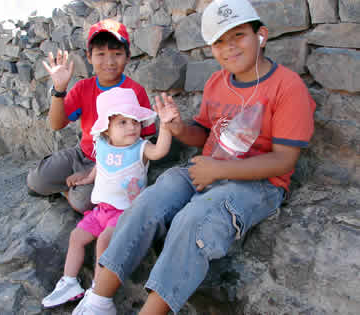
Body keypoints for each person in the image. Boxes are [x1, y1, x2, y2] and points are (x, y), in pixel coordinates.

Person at [72, 0, 317, 314]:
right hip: (206, 168)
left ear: (261, 35)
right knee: (149, 200)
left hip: (260, 182)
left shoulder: (287, 87)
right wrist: (176, 128)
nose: (228, 48)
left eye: (238, 35)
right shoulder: (217, 83)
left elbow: (284, 161)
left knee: (193, 220)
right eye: (218, 42)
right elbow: (202, 134)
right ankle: (99, 299)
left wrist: (216, 171)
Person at [42, 87, 177, 308]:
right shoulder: (102, 144)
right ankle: (69, 282)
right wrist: (87, 178)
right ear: (106, 129)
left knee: (104, 241)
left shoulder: (141, 148)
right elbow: (100, 165)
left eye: (134, 121)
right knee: (76, 236)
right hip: (101, 209)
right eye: (122, 123)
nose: (131, 127)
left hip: (126, 212)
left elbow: (160, 151)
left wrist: (166, 126)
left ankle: (98, 289)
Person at [26, 19, 156, 213]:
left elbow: (143, 141)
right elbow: (56, 124)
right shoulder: (83, 88)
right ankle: (68, 186)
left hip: (114, 162)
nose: (109, 62)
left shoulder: (134, 91)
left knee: (83, 202)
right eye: (101, 54)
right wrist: (60, 89)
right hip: (82, 152)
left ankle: (71, 191)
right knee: (35, 182)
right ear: (89, 56)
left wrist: (94, 172)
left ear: (128, 57)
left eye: (117, 54)